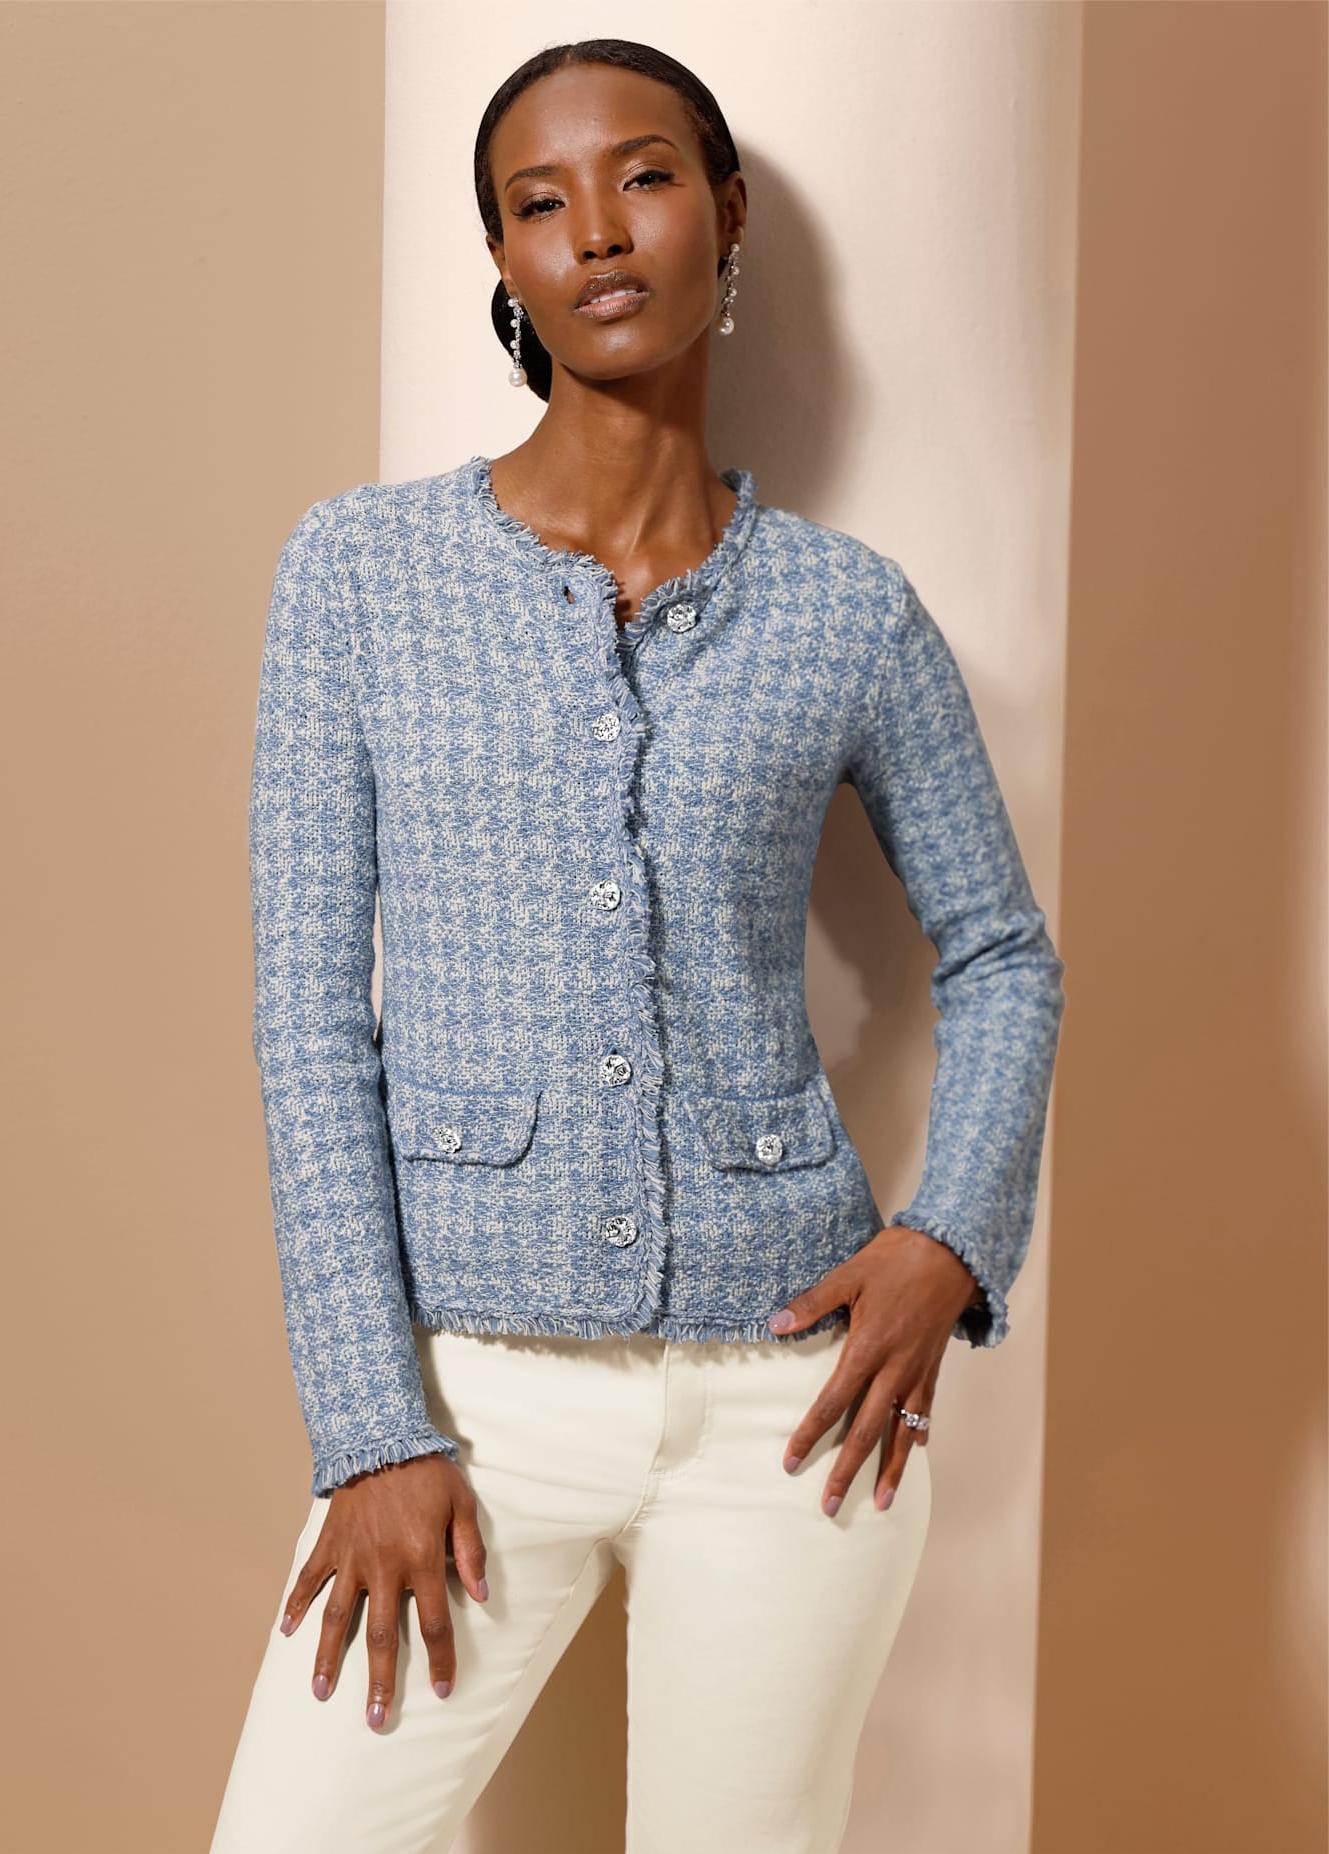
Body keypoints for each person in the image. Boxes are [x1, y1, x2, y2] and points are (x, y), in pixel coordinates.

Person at [209, 36, 1067, 1854]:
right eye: (541, 204)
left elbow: (1003, 951)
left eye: (646, 177)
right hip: (466, 1394)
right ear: (505, 263)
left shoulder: (847, 612)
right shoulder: (359, 575)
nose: (597, 231)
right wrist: (371, 1423)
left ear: (725, 213)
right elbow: (307, 1019)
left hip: (790, 1405)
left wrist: (949, 1240)